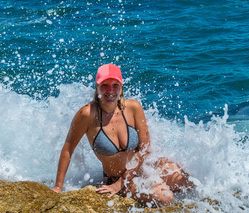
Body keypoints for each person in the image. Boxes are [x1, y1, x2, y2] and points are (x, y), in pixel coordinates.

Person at [52, 63, 193, 206]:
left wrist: (124, 181)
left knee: (188, 183)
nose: (110, 90)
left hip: (146, 166)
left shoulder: (133, 107)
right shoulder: (87, 114)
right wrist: (58, 187)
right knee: (166, 198)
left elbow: (145, 148)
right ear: (97, 87)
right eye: (104, 85)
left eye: (115, 85)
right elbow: (68, 149)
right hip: (116, 178)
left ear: (121, 87)